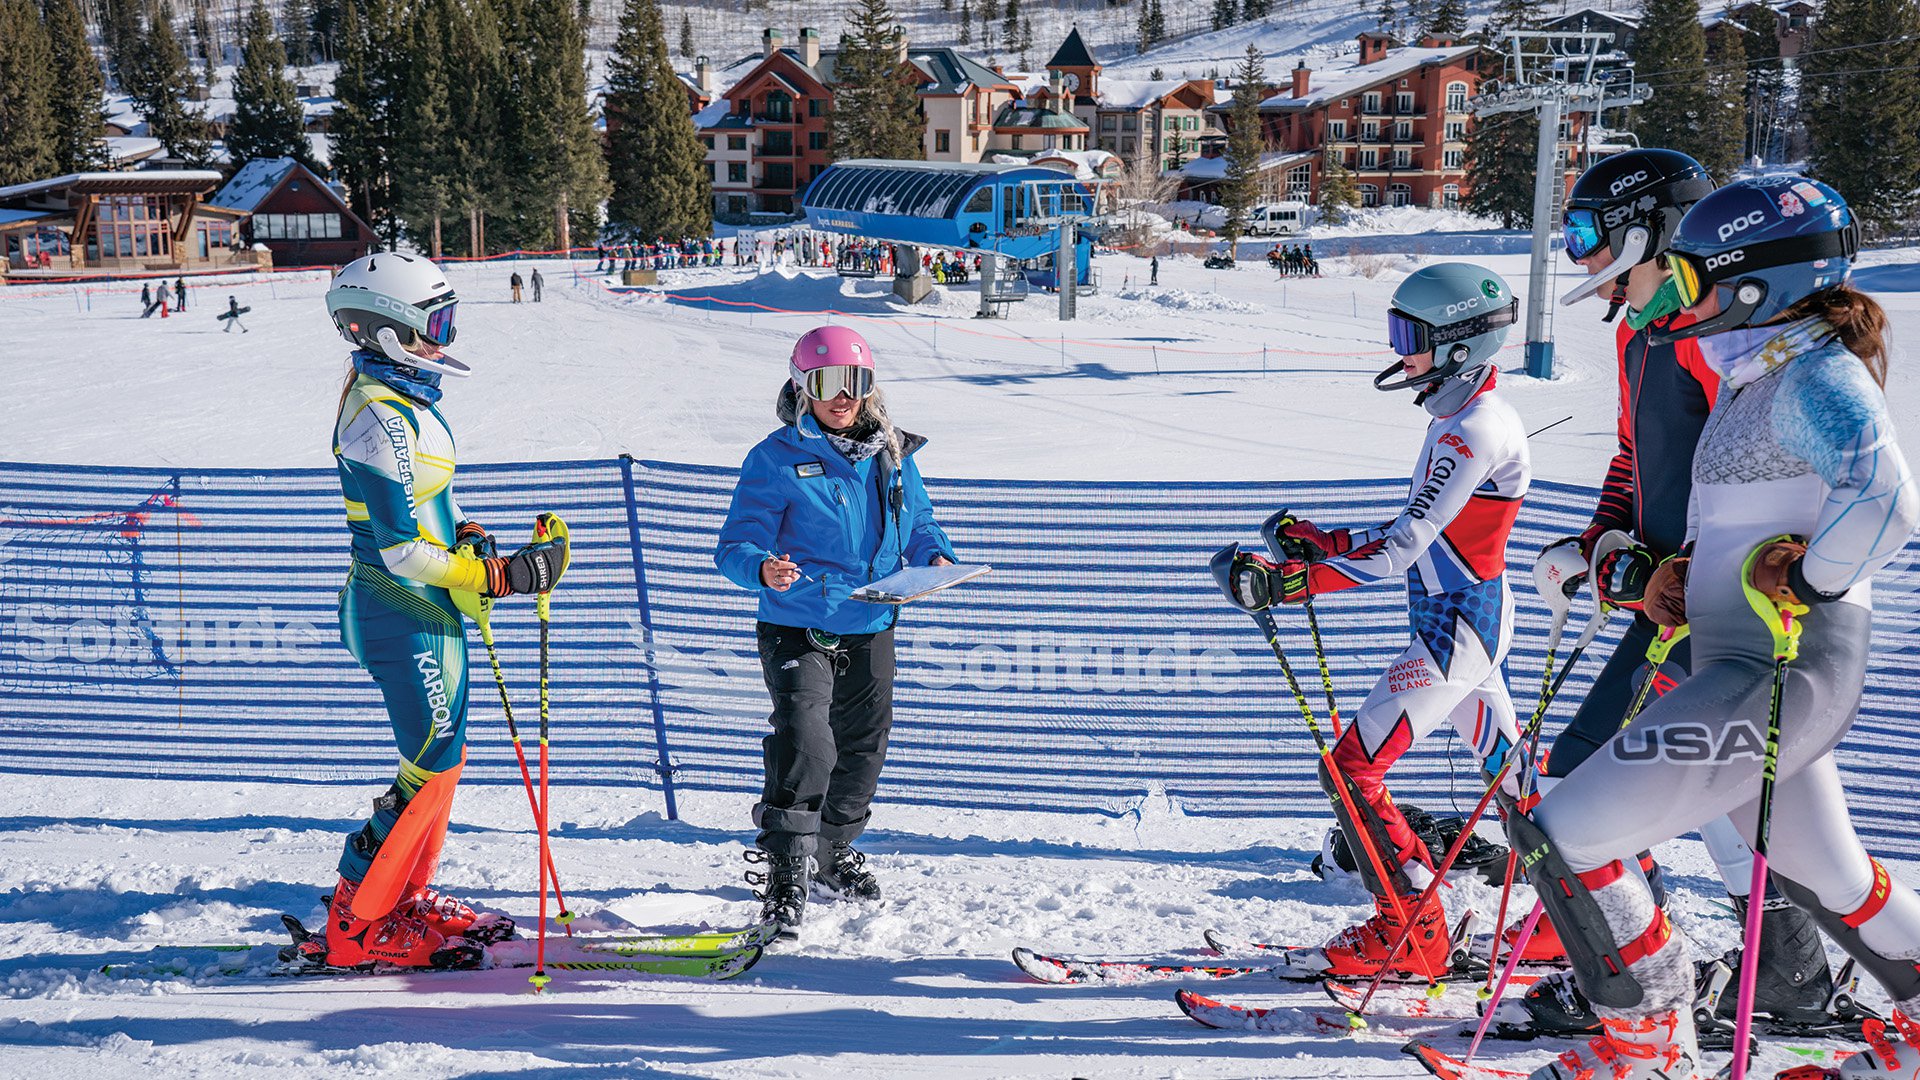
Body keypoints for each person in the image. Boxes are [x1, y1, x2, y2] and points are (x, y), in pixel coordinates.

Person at [1516, 175, 1920, 1080]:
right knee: (1834, 880)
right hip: (1748, 664)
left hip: (1780, 671)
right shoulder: (1757, 377)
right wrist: (1680, 578)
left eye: (1696, 278)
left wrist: (1811, 581)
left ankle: (1649, 1051)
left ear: (1752, 283)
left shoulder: (1815, 372)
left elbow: (1889, 503)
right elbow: (1749, 523)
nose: (1679, 296)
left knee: (1565, 834)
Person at [1217, 263, 1529, 979]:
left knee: (1353, 769)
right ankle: (1582, 920)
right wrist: (1325, 546)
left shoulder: (1472, 431)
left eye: (1409, 335)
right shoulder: (1462, 418)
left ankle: (1410, 931)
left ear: (1458, 343)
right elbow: (1421, 533)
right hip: (1466, 621)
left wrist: (1290, 584)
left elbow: (1402, 552)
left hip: (1459, 633)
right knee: (1514, 783)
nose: (1399, 351)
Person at [303, 252, 569, 969]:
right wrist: (498, 576)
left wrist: (470, 537)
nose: (445, 339)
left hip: (426, 607)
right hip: (401, 606)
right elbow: (399, 550)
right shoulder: (379, 417)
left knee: (441, 762)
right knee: (431, 759)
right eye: (434, 324)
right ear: (385, 331)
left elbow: (426, 512)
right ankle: (358, 927)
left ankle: (398, 902)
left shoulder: (399, 401)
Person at [713, 326, 958, 935]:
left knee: (864, 748)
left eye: (855, 382)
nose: (842, 397)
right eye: (826, 384)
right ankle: (787, 868)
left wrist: (935, 555)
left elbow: (919, 521)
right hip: (798, 621)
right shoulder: (775, 457)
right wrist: (762, 569)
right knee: (806, 740)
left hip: (872, 618)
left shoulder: (890, 452)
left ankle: (829, 851)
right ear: (803, 387)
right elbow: (735, 545)